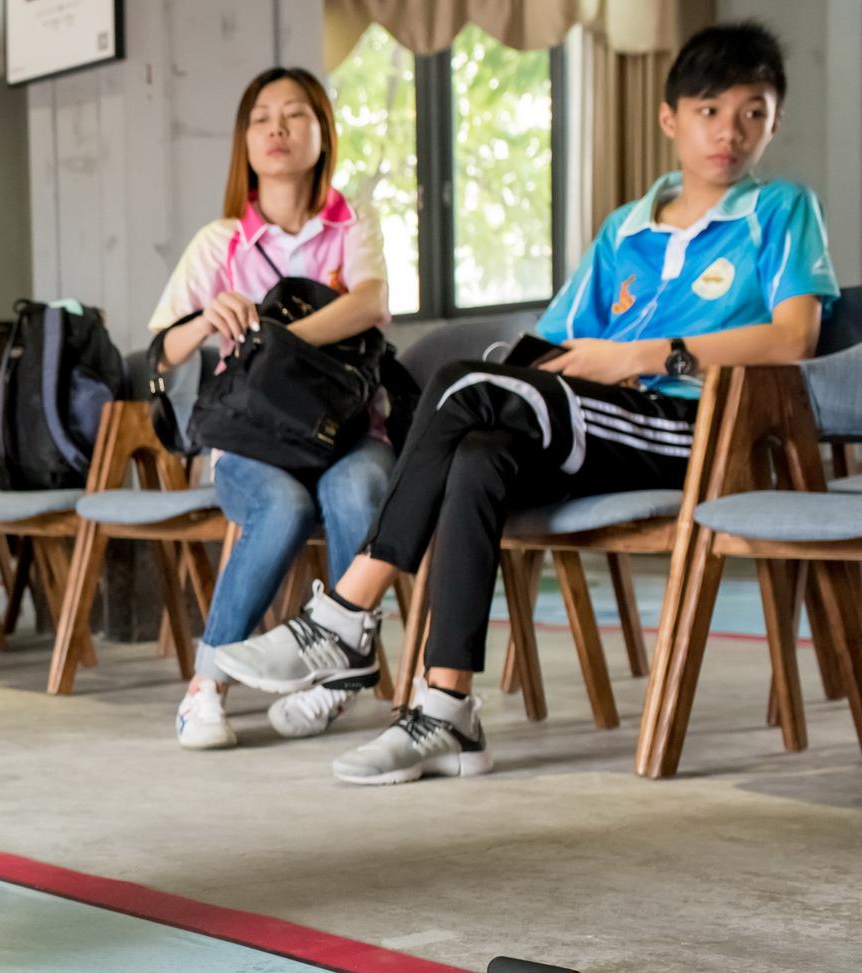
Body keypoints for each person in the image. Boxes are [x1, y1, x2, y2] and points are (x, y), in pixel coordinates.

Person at [215, 21, 837, 784]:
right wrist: (536, 376)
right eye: (710, 110)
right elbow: (552, 340)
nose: (730, 132)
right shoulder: (625, 230)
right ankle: (446, 711)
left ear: (774, 121)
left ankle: (346, 616)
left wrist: (646, 355)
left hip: (701, 427)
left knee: (463, 386)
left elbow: (794, 336)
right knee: (476, 456)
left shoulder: (781, 210)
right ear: (670, 117)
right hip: (604, 419)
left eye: (753, 111)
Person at [147, 67, 394, 750]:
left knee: (361, 488)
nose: (278, 129)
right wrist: (206, 319)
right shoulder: (219, 241)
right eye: (261, 117)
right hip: (252, 440)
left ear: (323, 131)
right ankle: (208, 681)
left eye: (295, 114)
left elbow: (370, 302)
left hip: (350, 430)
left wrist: (269, 342)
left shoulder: (354, 224)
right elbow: (161, 351)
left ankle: (338, 675)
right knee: (280, 505)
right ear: (245, 141)